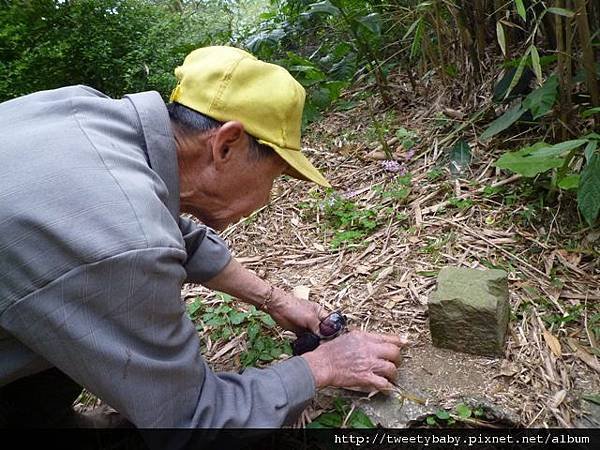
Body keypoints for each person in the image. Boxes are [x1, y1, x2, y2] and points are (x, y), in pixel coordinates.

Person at [0, 46, 406, 435]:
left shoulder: (79, 114)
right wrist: (323, 367)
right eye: (276, 176)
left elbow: (173, 232)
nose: (268, 197)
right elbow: (193, 419)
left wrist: (274, 299)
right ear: (225, 145)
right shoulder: (120, 240)